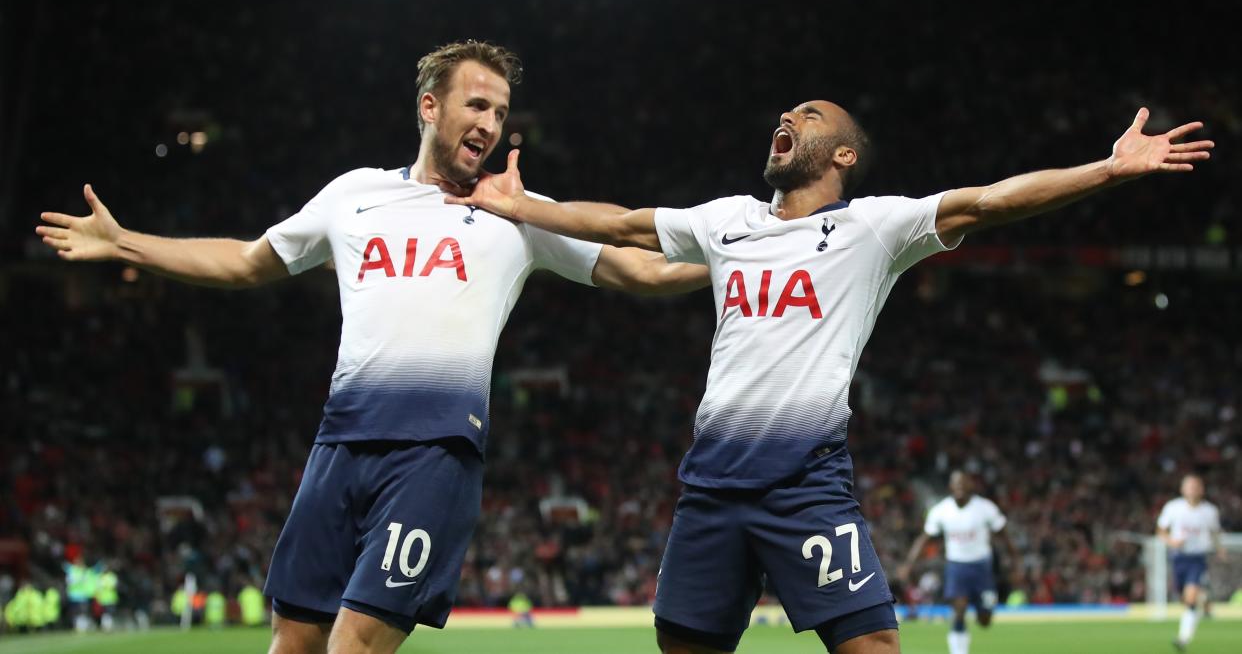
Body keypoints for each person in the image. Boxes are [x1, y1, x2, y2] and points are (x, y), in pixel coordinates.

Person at [448, 102, 1213, 653]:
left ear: (843, 155)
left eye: (809, 115)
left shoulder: (871, 229)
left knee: (871, 644)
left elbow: (989, 201)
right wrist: (525, 208)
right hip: (711, 485)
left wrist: (1109, 170)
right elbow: (621, 224)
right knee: (681, 644)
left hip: (805, 483)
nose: (789, 117)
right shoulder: (723, 221)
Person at [35, 40, 708, 654]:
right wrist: (124, 243)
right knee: (292, 642)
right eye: (476, 104)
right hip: (339, 446)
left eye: (500, 112)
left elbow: (640, 270)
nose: (490, 124)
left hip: (434, 452)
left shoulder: (519, 214)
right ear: (428, 107)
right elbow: (244, 261)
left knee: (352, 646)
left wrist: (749, 255)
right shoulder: (354, 196)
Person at [897, 471, 1019, 654]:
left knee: (985, 620)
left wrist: (1016, 560)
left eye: (964, 483)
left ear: (971, 486)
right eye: (956, 484)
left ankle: (982, 613)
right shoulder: (941, 510)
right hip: (957, 567)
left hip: (982, 568)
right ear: (950, 487)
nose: (960, 487)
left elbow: (1004, 534)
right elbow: (924, 539)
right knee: (958, 612)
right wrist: (908, 564)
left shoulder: (985, 508)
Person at [1157, 474, 1224, 652]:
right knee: (1185, 598)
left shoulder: (1210, 511)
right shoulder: (1173, 508)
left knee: (1190, 597)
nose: (1193, 489)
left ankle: (1183, 638)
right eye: (1190, 486)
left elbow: (1215, 533)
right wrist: (1172, 542)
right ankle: (1204, 599)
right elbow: (1161, 531)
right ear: (1183, 489)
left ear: (1202, 489)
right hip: (1178, 557)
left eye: (1196, 486)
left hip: (1198, 557)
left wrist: (1220, 549)